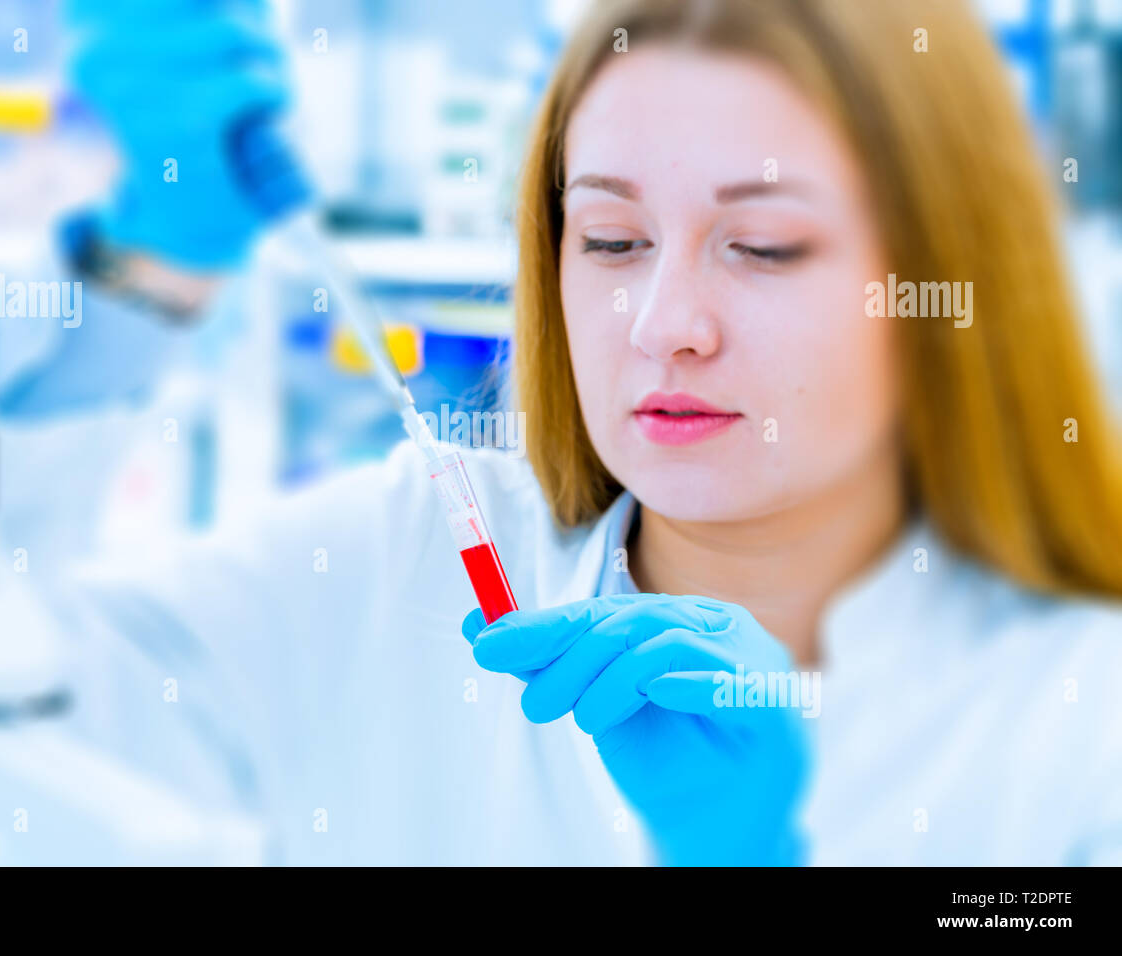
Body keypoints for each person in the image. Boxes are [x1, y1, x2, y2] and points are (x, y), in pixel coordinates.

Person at [65, 0, 1122, 865]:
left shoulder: (1075, 719)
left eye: (761, 245)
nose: (664, 324)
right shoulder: (395, 561)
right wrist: (153, 278)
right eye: (613, 238)